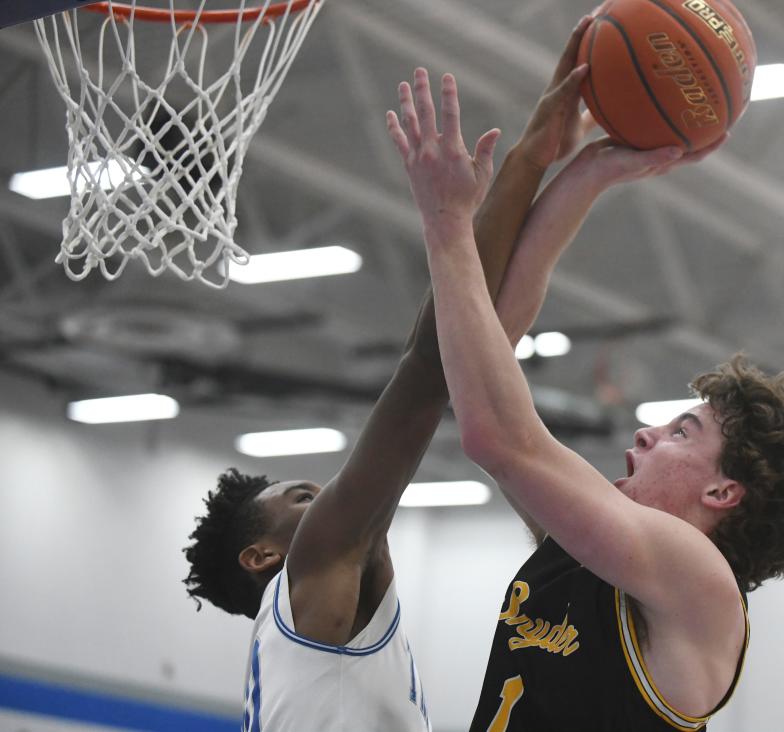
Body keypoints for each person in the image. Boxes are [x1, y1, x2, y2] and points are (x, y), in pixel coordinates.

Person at [179, 17, 668, 731]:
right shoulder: (313, 576)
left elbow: (456, 357)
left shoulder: (315, 609)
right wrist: (524, 169)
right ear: (263, 556)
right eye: (304, 496)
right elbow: (430, 367)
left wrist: (547, 168)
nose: (335, 494)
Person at [388, 65, 784, 730]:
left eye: (683, 432)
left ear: (724, 492)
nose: (643, 436)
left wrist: (448, 224)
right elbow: (489, 356)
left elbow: (498, 435)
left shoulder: (699, 586)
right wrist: (584, 174)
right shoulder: (594, 551)